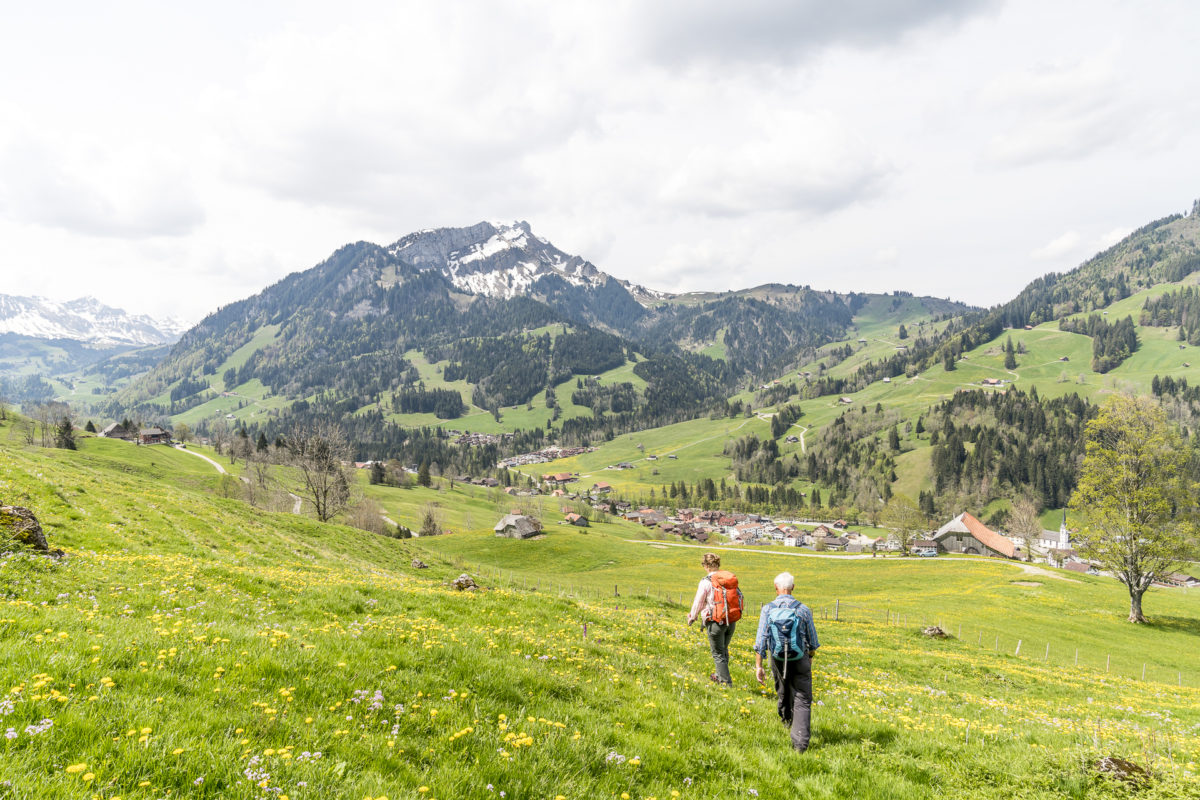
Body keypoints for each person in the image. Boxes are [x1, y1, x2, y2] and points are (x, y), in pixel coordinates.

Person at [754, 571, 820, 752]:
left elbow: (760, 641)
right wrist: (810, 657)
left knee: (782, 688)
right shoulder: (803, 609)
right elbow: (813, 641)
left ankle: (786, 719)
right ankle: (800, 744)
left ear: (776, 588)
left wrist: (759, 666)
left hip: (777, 658)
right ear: (793, 588)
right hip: (801, 658)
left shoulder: (767, 609)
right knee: (803, 698)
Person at [686, 552, 743, 685]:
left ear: (706, 565)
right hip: (731, 620)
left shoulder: (706, 581)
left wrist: (692, 617)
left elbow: (699, 601)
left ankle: (725, 683)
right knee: (723, 650)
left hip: (715, 621)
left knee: (718, 654)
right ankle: (719, 675)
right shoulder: (727, 579)